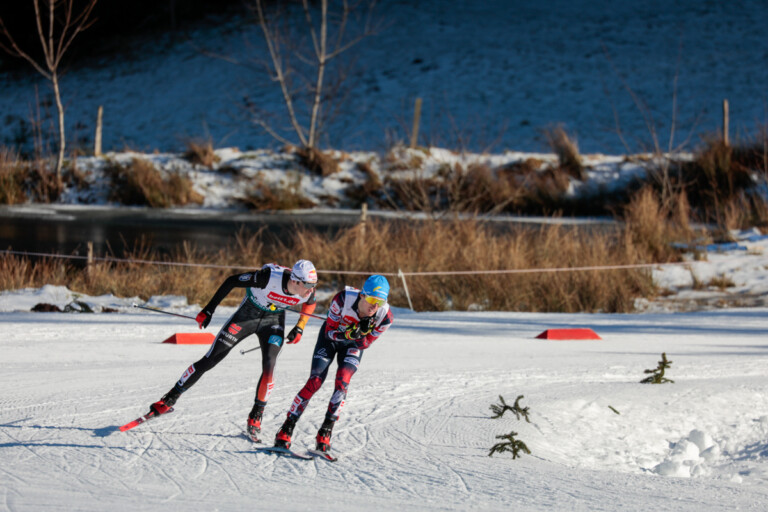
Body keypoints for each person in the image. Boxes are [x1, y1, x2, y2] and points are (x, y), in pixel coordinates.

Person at [148, 259, 318, 442]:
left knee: (269, 366)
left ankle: (256, 415)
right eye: (308, 285)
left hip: (273, 322)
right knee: (211, 358)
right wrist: (208, 310)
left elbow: (310, 303)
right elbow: (231, 281)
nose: (311, 289)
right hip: (247, 316)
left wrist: (300, 326)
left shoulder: (307, 290)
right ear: (295, 281)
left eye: (314, 285)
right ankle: (169, 399)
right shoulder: (267, 278)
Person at [274, 274, 393, 454]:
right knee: (315, 381)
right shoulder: (343, 299)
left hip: (353, 345)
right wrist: (350, 333)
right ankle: (286, 428)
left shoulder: (385, 317)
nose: (374, 306)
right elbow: (329, 333)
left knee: (342, 383)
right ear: (362, 295)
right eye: (371, 299)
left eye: (380, 302)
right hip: (330, 340)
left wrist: (361, 334)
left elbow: (366, 344)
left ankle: (325, 432)